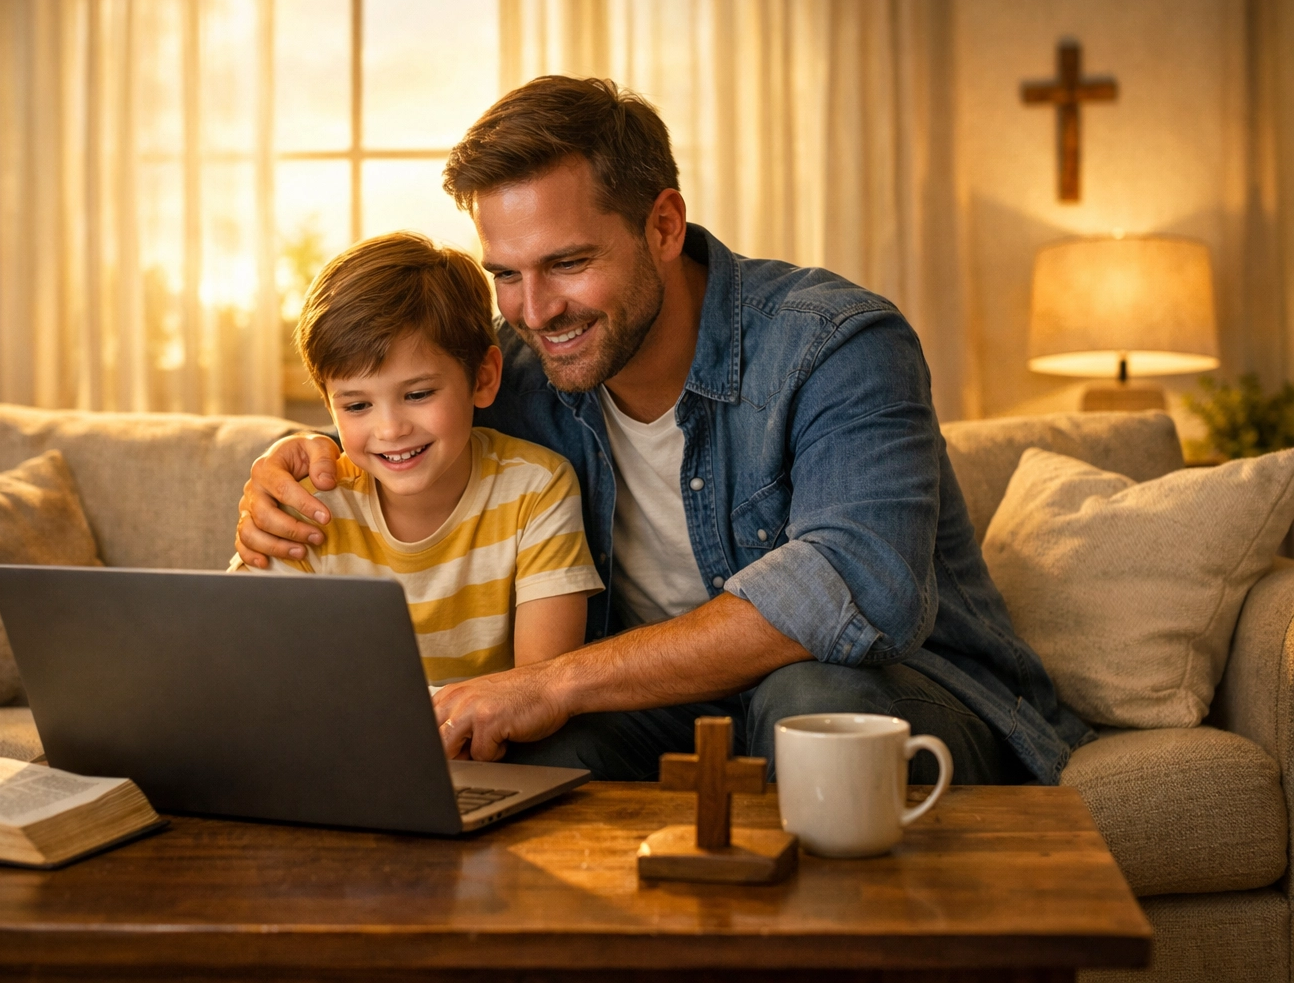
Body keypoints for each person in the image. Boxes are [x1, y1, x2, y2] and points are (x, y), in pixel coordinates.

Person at [236, 76, 1092, 785]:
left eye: (568, 263)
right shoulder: (521, 366)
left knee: (812, 705)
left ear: (663, 226)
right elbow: (404, 412)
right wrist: (296, 458)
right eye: (508, 274)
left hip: (902, 691)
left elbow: (856, 586)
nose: (536, 310)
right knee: (536, 764)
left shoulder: (837, 344)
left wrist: (553, 682)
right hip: (657, 708)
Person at [230, 232, 603, 690]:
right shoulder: (308, 505)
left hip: (490, 735)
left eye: (418, 394)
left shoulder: (537, 489)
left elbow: (538, 692)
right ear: (329, 406)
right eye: (357, 405)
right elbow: (245, 666)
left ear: (483, 378)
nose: (390, 430)